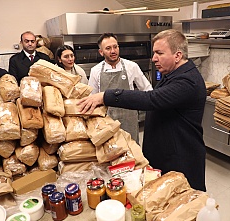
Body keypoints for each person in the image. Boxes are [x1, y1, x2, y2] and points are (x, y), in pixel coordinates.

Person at [78, 29, 207, 191]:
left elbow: (151, 98)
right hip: (167, 151)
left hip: (180, 155)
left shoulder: (187, 82)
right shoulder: (171, 73)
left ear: (178, 55)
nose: (153, 59)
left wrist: (106, 96)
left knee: (184, 201)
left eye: (159, 53)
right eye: (154, 53)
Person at [88, 33, 153, 142]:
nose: (113, 51)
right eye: (108, 48)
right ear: (101, 52)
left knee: (132, 152)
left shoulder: (131, 66)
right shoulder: (96, 70)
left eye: (115, 47)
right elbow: (92, 98)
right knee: (111, 153)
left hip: (129, 119)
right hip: (107, 122)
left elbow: (147, 90)